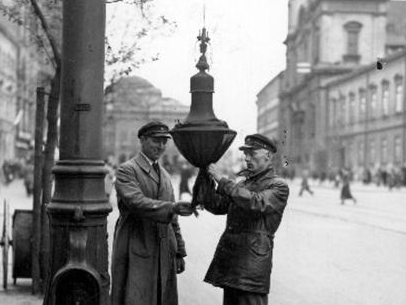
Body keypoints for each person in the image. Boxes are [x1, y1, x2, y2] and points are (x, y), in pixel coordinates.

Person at [111, 121, 195, 305]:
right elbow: (136, 202)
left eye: (164, 142)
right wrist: (172, 208)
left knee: (160, 298)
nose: (161, 146)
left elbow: (173, 220)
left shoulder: (164, 174)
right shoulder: (127, 170)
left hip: (163, 248)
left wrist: (179, 251)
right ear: (142, 140)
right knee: (135, 297)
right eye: (156, 141)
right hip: (136, 244)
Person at [202, 133, 290, 305]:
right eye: (246, 154)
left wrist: (222, 180)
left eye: (252, 154)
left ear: (268, 156)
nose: (247, 158)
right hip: (233, 262)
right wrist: (206, 180)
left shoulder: (278, 185)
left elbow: (256, 202)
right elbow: (218, 207)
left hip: (252, 265)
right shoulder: (243, 184)